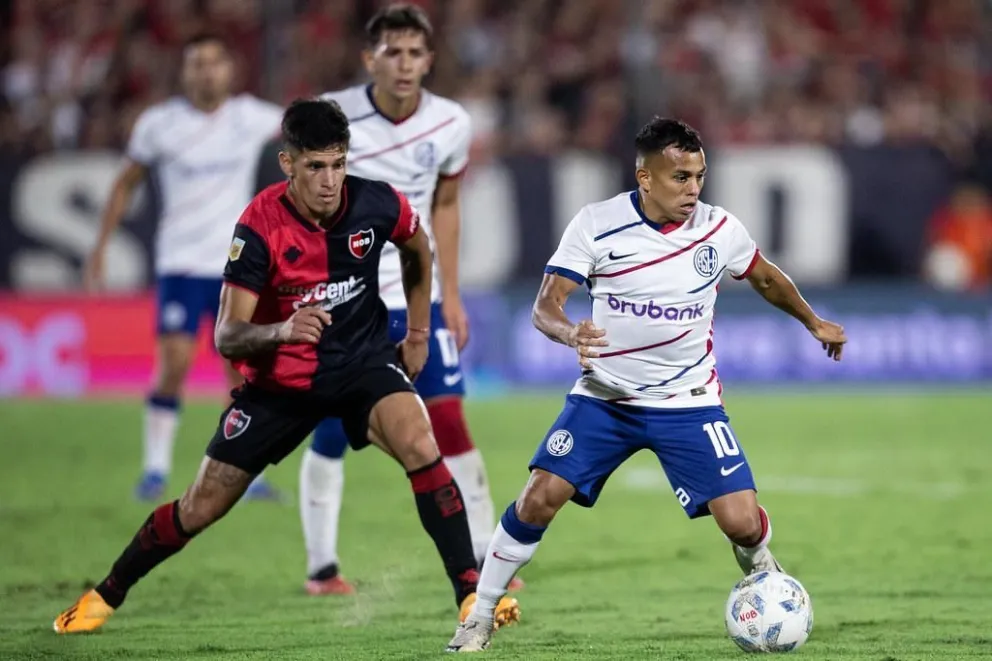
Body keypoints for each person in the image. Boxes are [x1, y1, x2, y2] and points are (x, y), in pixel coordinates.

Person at [53, 98, 520, 635]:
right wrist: (282, 330)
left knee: (420, 442)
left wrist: (416, 333)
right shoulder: (259, 225)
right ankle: (103, 597)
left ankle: (470, 597)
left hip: (361, 365)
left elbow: (418, 247)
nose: (329, 180)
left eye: (338, 163)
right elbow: (228, 335)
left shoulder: (376, 204)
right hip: (281, 385)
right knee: (200, 507)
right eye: (316, 166)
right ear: (288, 163)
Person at [446, 117, 848, 652]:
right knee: (540, 498)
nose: (693, 189)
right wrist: (570, 333)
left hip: (688, 401)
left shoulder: (719, 229)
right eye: (680, 177)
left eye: (699, 176)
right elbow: (546, 305)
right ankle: (480, 613)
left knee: (742, 523)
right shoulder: (596, 224)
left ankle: (761, 567)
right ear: (645, 177)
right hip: (605, 400)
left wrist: (813, 321)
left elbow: (766, 277)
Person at [296, 3, 520, 598]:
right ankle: (322, 568)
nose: (403, 63)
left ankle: (485, 557)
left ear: (430, 60)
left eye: (414, 53)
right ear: (370, 57)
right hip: (349, 299)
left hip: (420, 296)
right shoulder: (335, 115)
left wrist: (452, 293)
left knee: (448, 417)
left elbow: (445, 206)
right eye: (391, 52)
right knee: (332, 431)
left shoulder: (450, 123)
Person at [84, 32, 284, 502]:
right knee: (173, 364)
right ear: (184, 72)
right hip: (179, 261)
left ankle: (246, 471)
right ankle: (155, 470)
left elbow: (306, 126)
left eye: (215, 62)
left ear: (229, 71)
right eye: (197, 63)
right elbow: (124, 182)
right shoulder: (159, 124)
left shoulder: (249, 116)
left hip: (234, 266)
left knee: (240, 372)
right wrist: (100, 246)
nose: (207, 71)